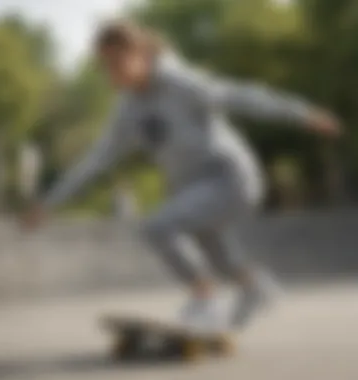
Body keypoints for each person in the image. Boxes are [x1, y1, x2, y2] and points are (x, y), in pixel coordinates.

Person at [20, 21, 341, 332]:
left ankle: (205, 300)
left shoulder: (180, 82)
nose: (112, 73)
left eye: (118, 63)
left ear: (142, 54)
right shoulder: (126, 110)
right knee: (221, 260)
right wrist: (49, 203)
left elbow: (239, 96)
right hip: (195, 190)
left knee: (159, 227)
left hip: (230, 178)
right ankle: (256, 288)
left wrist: (300, 113)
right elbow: (95, 160)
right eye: (105, 66)